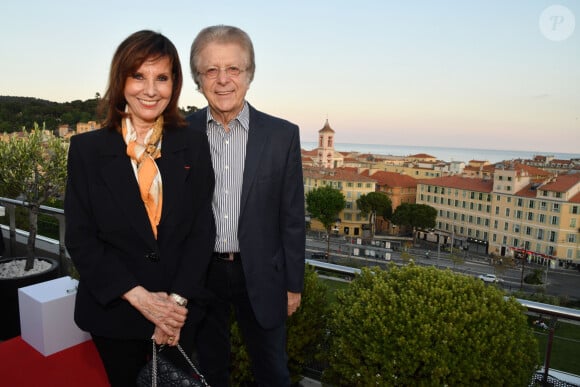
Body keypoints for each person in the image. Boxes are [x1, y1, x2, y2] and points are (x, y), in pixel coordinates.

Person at [64, 30, 214, 387]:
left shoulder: (193, 143)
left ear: (174, 84)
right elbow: (81, 239)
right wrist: (141, 299)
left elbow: (201, 230)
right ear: (121, 81)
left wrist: (172, 307)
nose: (150, 90)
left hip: (179, 313)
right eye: (138, 76)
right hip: (114, 312)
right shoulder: (86, 150)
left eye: (161, 77)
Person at [187, 25, 306, 387]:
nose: (222, 80)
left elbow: (292, 218)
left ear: (249, 75)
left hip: (262, 275)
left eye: (233, 69)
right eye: (211, 70)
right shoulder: (180, 132)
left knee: (272, 371)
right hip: (200, 275)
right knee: (209, 371)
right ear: (198, 79)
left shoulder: (282, 135)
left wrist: (293, 284)